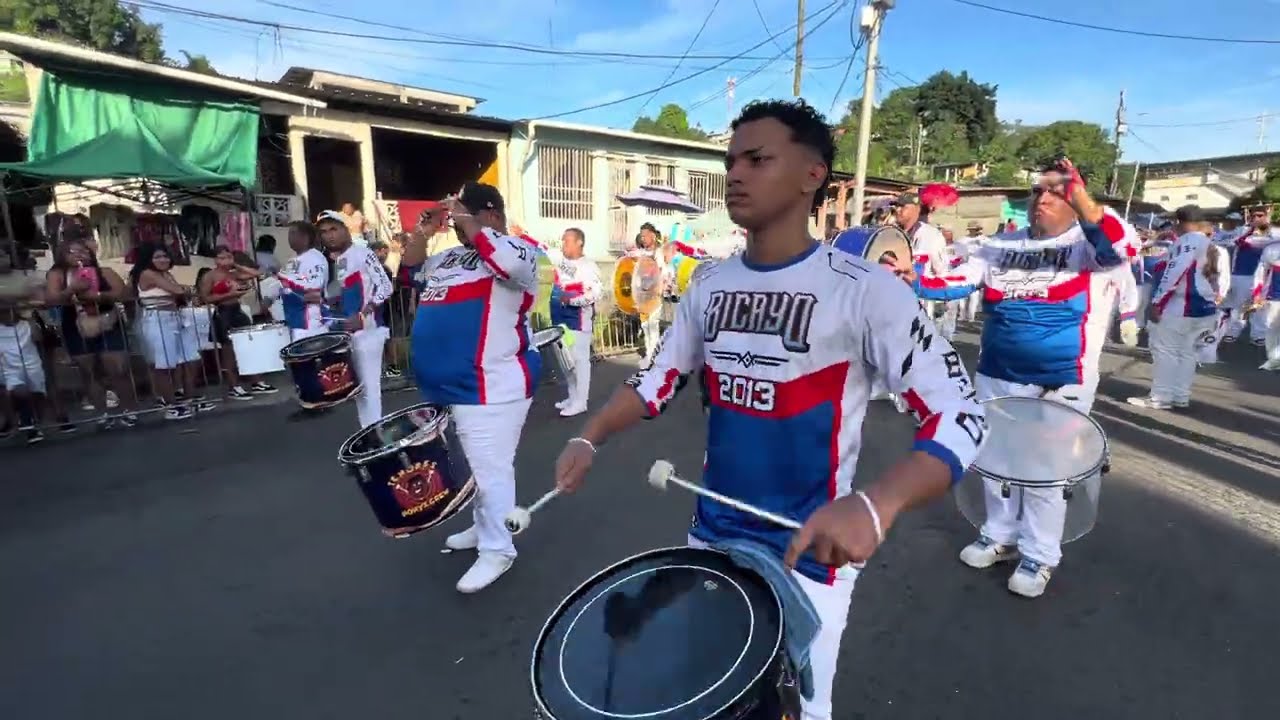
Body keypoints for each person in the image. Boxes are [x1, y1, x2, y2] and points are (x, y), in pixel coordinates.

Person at [551, 99, 987, 720]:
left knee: (800, 710)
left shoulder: (867, 291)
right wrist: (589, 436)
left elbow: (962, 414)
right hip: (711, 537)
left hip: (810, 555)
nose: (736, 174)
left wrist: (875, 504)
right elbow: (653, 381)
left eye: (757, 160)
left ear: (813, 175)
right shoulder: (708, 286)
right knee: (702, 694)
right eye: (731, 161)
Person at [906, 156, 1132, 599]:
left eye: (1056, 190)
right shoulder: (999, 244)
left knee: (1046, 471)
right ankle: (1000, 534)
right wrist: (905, 274)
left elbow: (1118, 249)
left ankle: (1040, 554)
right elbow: (947, 285)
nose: (1043, 198)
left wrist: (1082, 199)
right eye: (1038, 190)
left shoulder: (1090, 243)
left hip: (1062, 378)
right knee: (996, 460)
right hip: (997, 372)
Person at [400, 183, 542, 594]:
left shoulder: (519, 250)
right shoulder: (449, 257)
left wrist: (466, 219)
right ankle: (483, 527)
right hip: (445, 386)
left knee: (489, 469)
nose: (458, 224)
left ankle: (499, 549)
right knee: (467, 466)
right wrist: (423, 232)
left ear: (491, 215)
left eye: (465, 215)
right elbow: (409, 274)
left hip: (491, 386)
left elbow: (505, 263)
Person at [1127, 206, 1230, 408]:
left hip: (1181, 305)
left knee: (1165, 351)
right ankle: (1180, 395)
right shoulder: (1211, 244)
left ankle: (1160, 397)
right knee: (1188, 353)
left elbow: (1175, 272)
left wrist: (1158, 302)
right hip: (1204, 307)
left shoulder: (1188, 242)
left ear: (1181, 222)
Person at [44, 236, 139, 427]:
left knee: (117, 367)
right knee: (89, 371)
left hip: (108, 321)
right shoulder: (57, 274)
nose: (80, 255)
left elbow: (124, 293)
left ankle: (130, 410)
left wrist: (97, 295)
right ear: (62, 255)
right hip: (76, 324)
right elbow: (52, 299)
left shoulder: (105, 272)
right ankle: (102, 413)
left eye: (84, 251)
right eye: (73, 251)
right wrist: (71, 289)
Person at [315, 210, 392, 428]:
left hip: (368, 332)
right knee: (358, 389)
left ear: (345, 229)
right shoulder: (332, 260)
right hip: (345, 334)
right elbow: (335, 295)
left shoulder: (363, 253)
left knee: (369, 388)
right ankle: (369, 432)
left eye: (333, 229)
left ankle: (376, 433)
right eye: (324, 232)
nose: (329, 235)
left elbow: (386, 287)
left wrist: (364, 314)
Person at [129, 244, 211, 420]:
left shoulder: (166, 274)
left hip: (175, 318)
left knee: (191, 358)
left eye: (165, 256)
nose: (163, 260)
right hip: (157, 319)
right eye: (158, 257)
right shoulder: (147, 274)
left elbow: (180, 292)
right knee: (163, 364)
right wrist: (186, 290)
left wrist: (184, 291)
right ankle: (171, 405)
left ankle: (189, 398)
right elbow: (179, 290)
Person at [198, 246, 278, 400]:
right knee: (228, 350)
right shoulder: (210, 276)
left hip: (237, 309)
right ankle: (233, 385)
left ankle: (256, 381)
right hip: (223, 311)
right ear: (215, 260)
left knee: (248, 346)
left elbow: (257, 273)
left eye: (228, 257)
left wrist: (236, 265)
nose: (226, 261)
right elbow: (205, 297)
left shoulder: (234, 273)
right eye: (222, 258)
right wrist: (229, 294)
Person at [550, 228, 602, 417]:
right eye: (562, 241)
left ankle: (581, 402)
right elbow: (542, 249)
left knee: (579, 362)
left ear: (579, 242)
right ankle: (572, 397)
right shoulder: (561, 262)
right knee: (566, 361)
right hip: (560, 319)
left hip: (578, 321)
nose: (563, 245)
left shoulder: (589, 267)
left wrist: (572, 301)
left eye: (567, 241)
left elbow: (595, 294)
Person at [1222, 208, 1280, 344]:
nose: (1257, 218)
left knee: (1260, 306)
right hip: (1242, 274)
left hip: (1264, 276)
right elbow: (1235, 242)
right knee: (1240, 306)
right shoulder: (1242, 231)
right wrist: (1252, 230)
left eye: (1260, 215)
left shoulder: (1276, 233)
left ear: (1267, 216)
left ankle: (1258, 334)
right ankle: (1232, 331)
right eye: (1254, 216)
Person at [277, 221, 331, 343]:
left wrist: (291, 290)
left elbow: (315, 292)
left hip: (310, 324)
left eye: (293, 233)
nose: (289, 237)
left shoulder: (314, 258)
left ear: (305, 238)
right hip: (296, 321)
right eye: (289, 233)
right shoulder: (294, 260)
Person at [630, 223, 664, 364]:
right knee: (645, 327)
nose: (643, 238)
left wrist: (658, 289)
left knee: (653, 326)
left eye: (645, 235)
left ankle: (653, 357)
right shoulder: (641, 254)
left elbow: (662, 273)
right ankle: (650, 355)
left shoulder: (659, 253)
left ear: (653, 236)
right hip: (642, 296)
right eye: (641, 236)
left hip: (654, 296)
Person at [1251, 240, 1280, 370]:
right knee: (1272, 329)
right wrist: (1257, 293)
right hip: (1274, 297)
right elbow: (1260, 273)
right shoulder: (1272, 249)